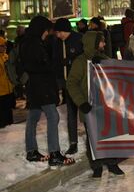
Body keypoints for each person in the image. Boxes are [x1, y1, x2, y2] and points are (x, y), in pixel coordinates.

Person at [66, 31, 124, 177]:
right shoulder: (80, 62)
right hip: (89, 106)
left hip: (106, 106)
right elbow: (71, 83)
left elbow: (116, 78)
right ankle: (96, 166)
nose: (104, 44)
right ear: (93, 43)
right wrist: (82, 102)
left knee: (109, 135)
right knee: (92, 138)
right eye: (101, 42)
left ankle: (112, 163)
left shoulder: (104, 58)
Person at [20, 16, 75, 166]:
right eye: (45, 30)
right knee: (53, 116)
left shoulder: (26, 42)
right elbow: (42, 67)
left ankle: (31, 151)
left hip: (33, 87)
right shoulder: (35, 45)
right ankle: (55, 153)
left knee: (33, 117)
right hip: (42, 87)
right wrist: (50, 71)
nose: (47, 33)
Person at [52, 18, 83, 155]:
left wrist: (70, 60)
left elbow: (84, 58)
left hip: (80, 84)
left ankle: (93, 139)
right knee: (71, 114)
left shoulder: (79, 39)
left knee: (85, 113)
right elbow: (56, 62)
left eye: (59, 32)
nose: (57, 35)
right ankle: (73, 143)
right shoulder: (57, 43)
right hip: (67, 85)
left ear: (64, 30)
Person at [0, 37, 15, 128]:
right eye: (2, 46)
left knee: (8, 112)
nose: (4, 47)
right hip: (1, 91)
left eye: (5, 45)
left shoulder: (6, 56)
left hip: (9, 90)